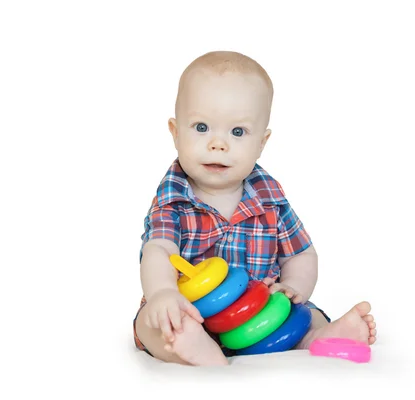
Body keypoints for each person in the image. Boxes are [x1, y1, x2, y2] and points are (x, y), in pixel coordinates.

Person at [132, 50, 377, 366]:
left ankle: (319, 337)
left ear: (262, 143)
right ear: (175, 132)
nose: (218, 144)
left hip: (262, 317)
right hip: (190, 310)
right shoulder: (172, 202)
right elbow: (159, 251)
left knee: (306, 315)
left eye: (237, 132)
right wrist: (163, 293)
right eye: (202, 127)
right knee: (152, 324)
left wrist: (293, 287)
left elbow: (301, 254)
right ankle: (194, 349)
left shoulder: (271, 202)